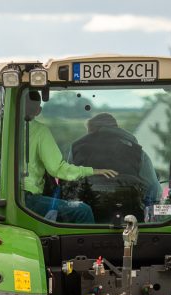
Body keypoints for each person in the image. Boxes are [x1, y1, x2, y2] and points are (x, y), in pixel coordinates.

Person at [21, 91, 116, 223]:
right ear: (38, 111)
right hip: (28, 199)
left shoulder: (3, 128)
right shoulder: (40, 131)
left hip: (9, 196)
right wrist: (94, 171)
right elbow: (57, 169)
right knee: (83, 211)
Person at [69, 112, 162, 216]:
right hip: (130, 217)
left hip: (86, 218)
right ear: (116, 128)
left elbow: (68, 182)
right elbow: (153, 187)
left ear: (91, 131)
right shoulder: (137, 152)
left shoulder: (76, 149)